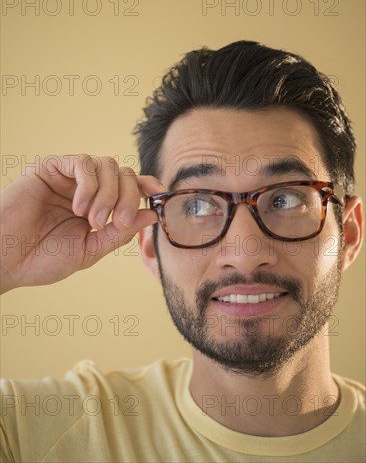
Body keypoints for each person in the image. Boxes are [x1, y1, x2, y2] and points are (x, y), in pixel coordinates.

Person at [0, 40, 364, 462]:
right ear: (151, 247)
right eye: (196, 205)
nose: (245, 254)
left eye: (285, 199)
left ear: (349, 234)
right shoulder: (34, 432)